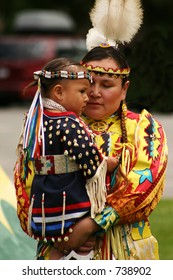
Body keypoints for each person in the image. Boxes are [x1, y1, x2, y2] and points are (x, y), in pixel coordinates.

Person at [50, 45, 168, 260]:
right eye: (88, 84)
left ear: (124, 89)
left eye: (106, 85)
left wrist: (91, 225)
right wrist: (62, 233)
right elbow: (27, 184)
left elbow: (146, 182)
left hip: (126, 250)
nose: (94, 93)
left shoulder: (143, 128)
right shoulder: (50, 126)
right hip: (59, 244)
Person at [14, 57, 119, 260]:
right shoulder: (69, 122)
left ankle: (58, 253)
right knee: (84, 246)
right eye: (82, 92)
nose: (87, 97)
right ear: (59, 92)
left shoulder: (35, 119)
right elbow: (88, 159)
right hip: (70, 205)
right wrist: (107, 164)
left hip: (44, 204)